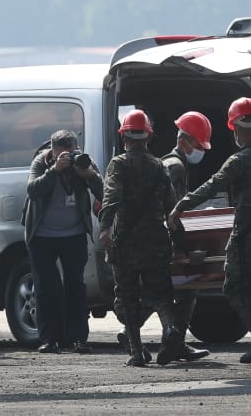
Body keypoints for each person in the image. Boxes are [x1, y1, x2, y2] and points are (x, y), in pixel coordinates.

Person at [169, 97, 251, 366]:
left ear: (234, 129)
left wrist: (182, 205)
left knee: (234, 287)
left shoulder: (237, 161)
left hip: (247, 238)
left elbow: (212, 186)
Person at [99, 110, 184, 367]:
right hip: (156, 238)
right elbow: (171, 203)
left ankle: (137, 352)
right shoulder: (160, 165)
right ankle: (169, 328)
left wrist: (104, 228)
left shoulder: (119, 164)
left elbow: (111, 197)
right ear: (148, 136)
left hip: (126, 241)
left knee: (127, 296)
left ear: (124, 136)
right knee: (160, 292)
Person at [24, 128, 102, 354]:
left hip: (74, 233)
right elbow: (32, 190)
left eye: (73, 151)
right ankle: (49, 339)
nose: (70, 156)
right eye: (64, 153)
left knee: (75, 286)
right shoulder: (41, 161)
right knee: (46, 287)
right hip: (42, 235)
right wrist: (54, 170)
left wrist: (89, 175)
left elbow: (103, 190)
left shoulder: (83, 161)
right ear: (54, 150)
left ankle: (78, 338)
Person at [157, 111, 212, 362]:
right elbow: (175, 212)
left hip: (157, 237)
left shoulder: (167, 163)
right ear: (183, 141)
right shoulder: (176, 167)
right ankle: (176, 341)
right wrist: (181, 246)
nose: (200, 150)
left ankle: (170, 340)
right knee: (188, 288)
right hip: (167, 240)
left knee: (162, 291)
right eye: (198, 145)